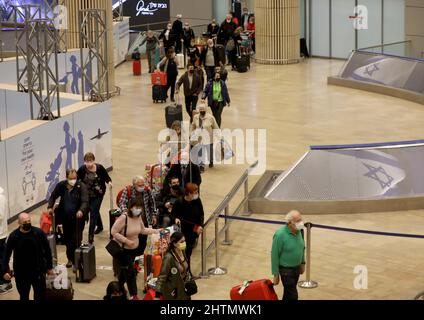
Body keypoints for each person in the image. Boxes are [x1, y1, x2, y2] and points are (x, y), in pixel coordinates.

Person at [111, 198, 160, 300]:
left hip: (133, 250)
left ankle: (117, 287)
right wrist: (126, 241)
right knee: (131, 272)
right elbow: (114, 232)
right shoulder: (123, 218)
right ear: (130, 207)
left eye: (140, 207)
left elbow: (142, 230)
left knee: (126, 271)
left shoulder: (138, 217)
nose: (138, 209)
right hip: (123, 250)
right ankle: (134, 295)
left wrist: (155, 231)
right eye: (136, 207)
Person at [2, 213, 54, 301]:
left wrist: (49, 267)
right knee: (24, 296)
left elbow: (48, 251)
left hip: (38, 271)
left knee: (40, 296)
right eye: (25, 222)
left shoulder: (39, 233)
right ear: (19, 223)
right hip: (21, 274)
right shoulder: (14, 236)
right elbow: (6, 254)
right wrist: (4, 270)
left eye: (29, 221)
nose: (27, 223)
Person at [47, 169, 89, 271]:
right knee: (67, 240)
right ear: (66, 178)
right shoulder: (62, 185)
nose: (73, 180)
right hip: (65, 219)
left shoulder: (81, 186)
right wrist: (50, 206)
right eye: (71, 178)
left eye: (75, 178)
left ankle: (76, 262)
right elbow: (53, 196)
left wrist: (81, 210)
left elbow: (85, 201)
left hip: (78, 220)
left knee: (76, 240)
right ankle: (70, 258)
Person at [77, 152, 112, 244]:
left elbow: (107, 178)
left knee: (93, 213)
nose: (89, 163)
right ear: (84, 161)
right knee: (94, 210)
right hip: (86, 195)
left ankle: (90, 236)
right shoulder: (82, 169)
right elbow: (77, 179)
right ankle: (100, 226)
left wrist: (109, 183)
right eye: (87, 161)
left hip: (98, 194)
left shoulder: (99, 168)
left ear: (94, 160)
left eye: (90, 161)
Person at [271, 210, 306, 301]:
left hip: (296, 268)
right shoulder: (280, 235)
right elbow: (274, 255)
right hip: (286, 271)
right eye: (297, 221)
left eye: (301, 220)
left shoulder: (300, 231)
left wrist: (302, 263)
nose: (300, 223)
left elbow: (302, 247)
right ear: (290, 222)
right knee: (293, 295)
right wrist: (276, 275)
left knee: (288, 294)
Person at [171, 183, 204, 268]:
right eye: (195, 192)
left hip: (193, 230)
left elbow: (201, 214)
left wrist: (201, 225)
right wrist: (175, 219)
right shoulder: (179, 202)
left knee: (188, 251)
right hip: (183, 230)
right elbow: (173, 214)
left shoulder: (197, 201)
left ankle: (187, 270)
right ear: (189, 193)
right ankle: (186, 271)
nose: (197, 194)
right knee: (183, 252)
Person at [155, 231, 190, 300]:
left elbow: (186, 268)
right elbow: (162, 277)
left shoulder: (183, 251)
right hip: (173, 292)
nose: (184, 243)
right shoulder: (168, 258)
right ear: (174, 244)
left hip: (183, 288)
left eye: (184, 241)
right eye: (181, 241)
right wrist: (157, 296)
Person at [190, 104, 220, 172]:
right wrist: (191, 133)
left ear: (206, 110)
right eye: (200, 109)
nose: (202, 111)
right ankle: (201, 166)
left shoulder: (211, 118)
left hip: (209, 139)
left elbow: (216, 127)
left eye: (203, 109)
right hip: (199, 139)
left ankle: (211, 161)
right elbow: (193, 126)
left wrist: (219, 136)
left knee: (210, 152)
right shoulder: (195, 117)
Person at [0, 186, 12, 295]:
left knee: (2, 259)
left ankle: (7, 282)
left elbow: (0, 215)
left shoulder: (0, 197)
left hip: (0, 235)